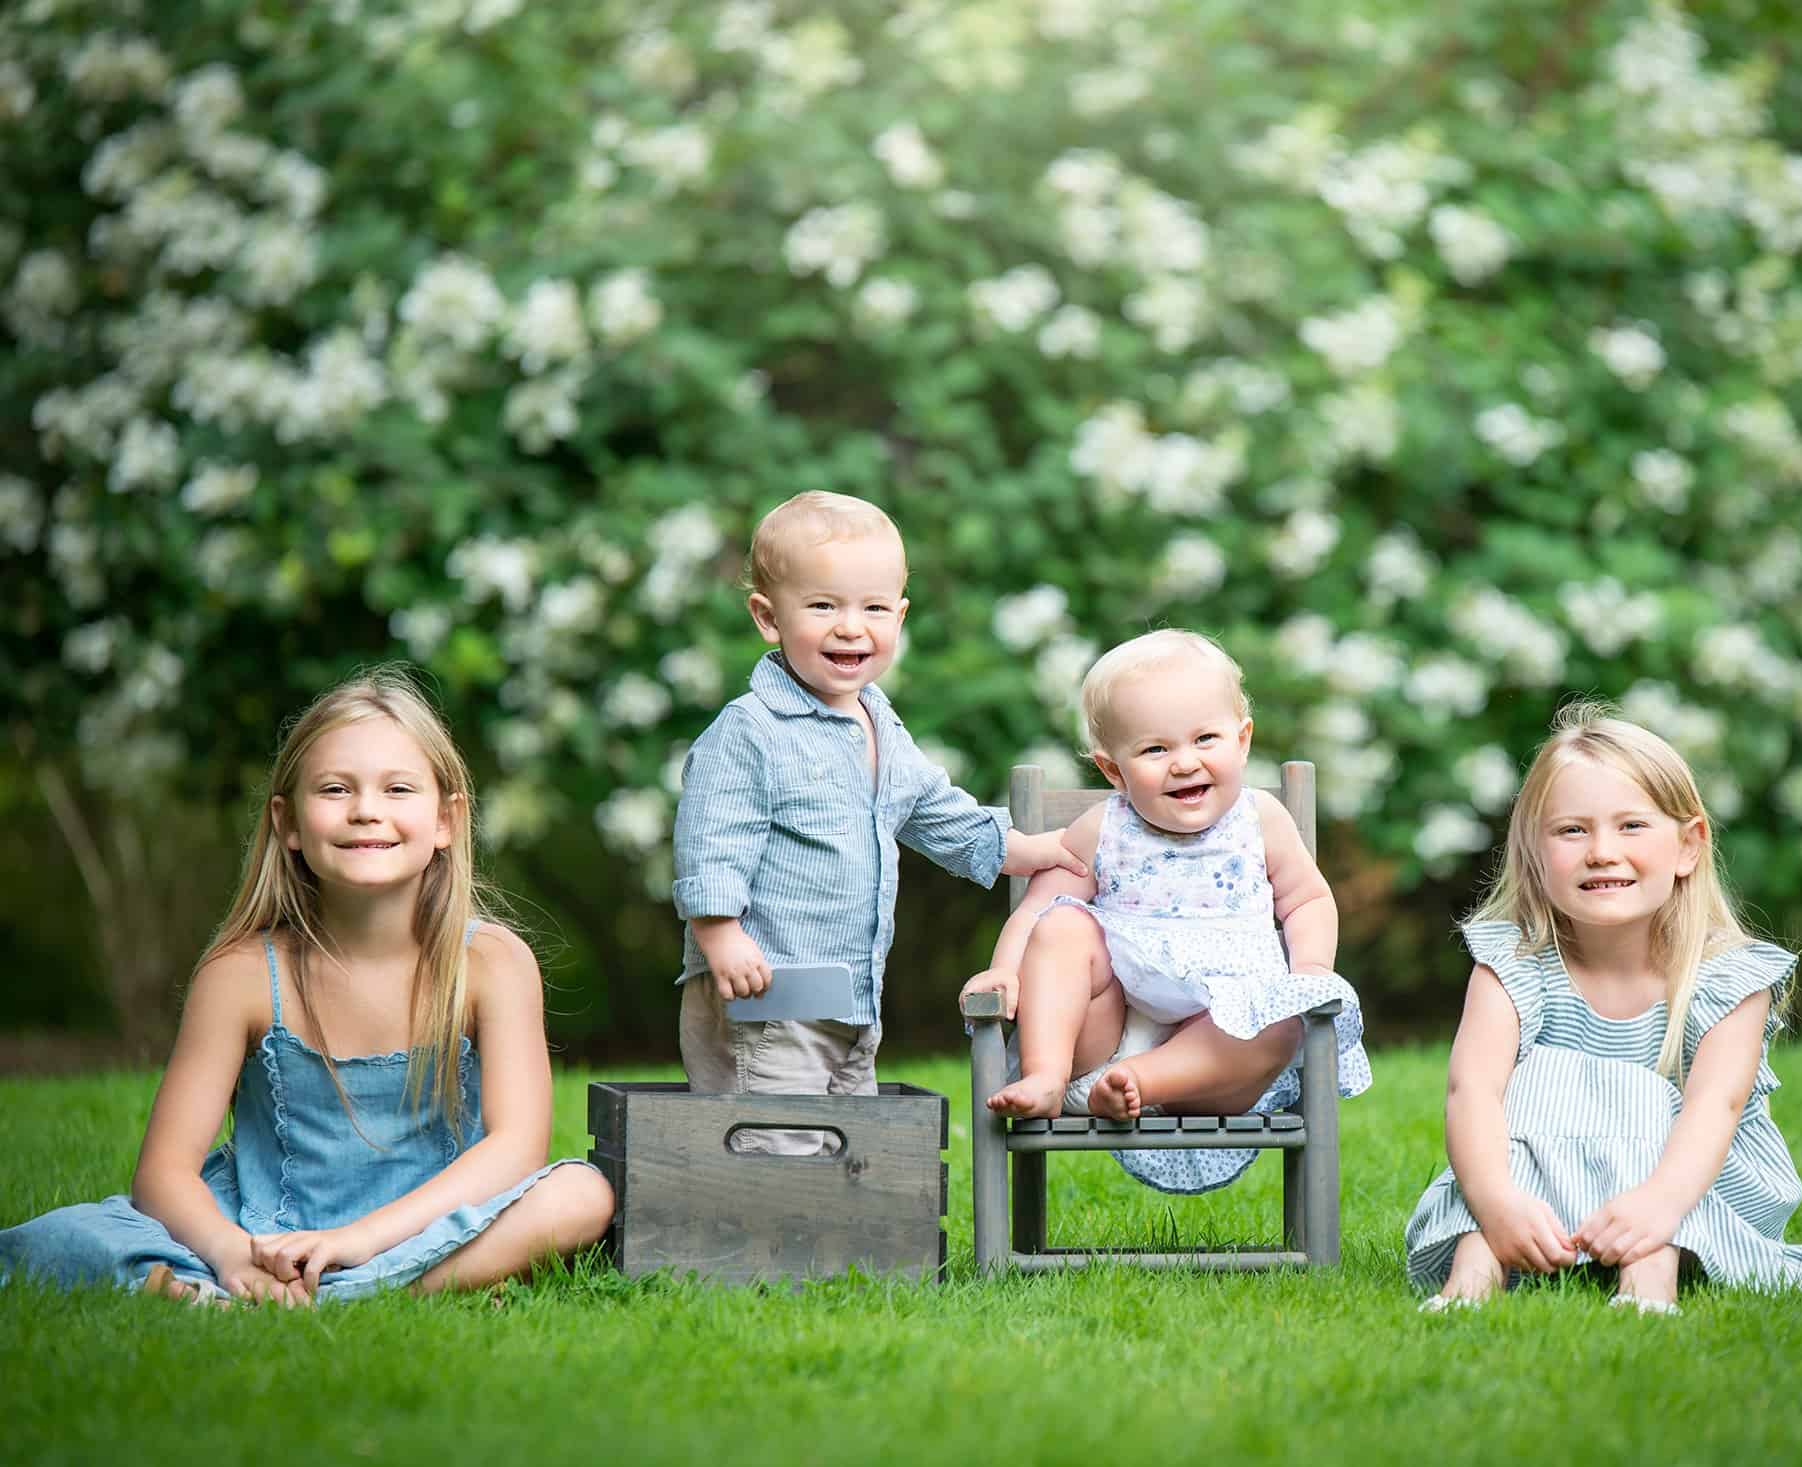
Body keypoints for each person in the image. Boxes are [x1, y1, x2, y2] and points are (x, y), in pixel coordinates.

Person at [0, 668, 613, 1305]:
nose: (366, 810)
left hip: (425, 1230)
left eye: (398, 788)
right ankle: (261, 1286)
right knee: (67, 1236)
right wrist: (231, 1253)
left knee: (580, 1195)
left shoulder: (492, 962)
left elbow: (516, 1149)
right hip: (266, 1234)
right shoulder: (240, 975)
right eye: (335, 789)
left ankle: (332, 1291)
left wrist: (359, 1239)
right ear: (288, 822)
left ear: (446, 820)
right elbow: (162, 1174)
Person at [1404, 701, 1802, 1313]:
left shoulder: (1728, 978)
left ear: (1687, 846)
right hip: (1536, 1178)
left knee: (1642, 1095)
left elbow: (1714, 1108)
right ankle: (1471, 1283)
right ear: (1534, 856)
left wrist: (1658, 1205)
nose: (1601, 851)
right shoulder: (1512, 964)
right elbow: (1473, 1093)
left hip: (1686, 1181)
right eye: (1572, 830)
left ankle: (1649, 1284)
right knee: (1529, 1092)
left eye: (1631, 826)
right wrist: (1496, 1202)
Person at [671, 492, 1085, 1154]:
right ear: (767, 616)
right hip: (767, 992)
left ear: (899, 615)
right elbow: (712, 839)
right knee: (777, 1136)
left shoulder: (879, 721)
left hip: (852, 996)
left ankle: (836, 1247)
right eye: (823, 605)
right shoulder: (750, 730)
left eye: (873, 608)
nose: (850, 627)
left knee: (846, 1135)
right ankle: (773, 1249)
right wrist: (720, 933)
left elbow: (930, 808)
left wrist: (1022, 848)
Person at [961, 629, 1369, 1194]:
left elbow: (1306, 898)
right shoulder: (1103, 828)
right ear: (1113, 770)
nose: (1184, 763)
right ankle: (1048, 1077)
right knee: (1062, 923)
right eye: (1155, 749)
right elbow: (1035, 912)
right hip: (1105, 1036)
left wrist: (1312, 971)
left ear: (1242, 740)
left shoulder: (1262, 819)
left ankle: (1139, 1082)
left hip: (1218, 1043)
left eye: (1205, 738)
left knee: (1280, 1028)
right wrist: (1005, 970)